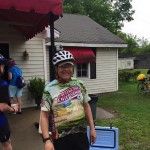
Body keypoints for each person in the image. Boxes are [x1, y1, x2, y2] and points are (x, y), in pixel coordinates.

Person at [40, 50, 96, 150]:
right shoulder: (49, 89)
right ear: (56, 68)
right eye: (62, 66)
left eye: (69, 66)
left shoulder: (79, 84)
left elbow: (86, 107)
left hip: (80, 135)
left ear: (73, 68)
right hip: (61, 138)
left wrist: (92, 128)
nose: (66, 69)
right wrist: (47, 140)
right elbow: (44, 116)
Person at [0, 54, 18, 150]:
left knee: (11, 97)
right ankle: (17, 109)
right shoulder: (2, 82)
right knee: (6, 143)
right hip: (1, 123)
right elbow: (2, 106)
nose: (3, 68)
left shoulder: (10, 70)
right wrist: (12, 109)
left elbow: (10, 78)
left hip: (12, 85)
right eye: (2, 65)